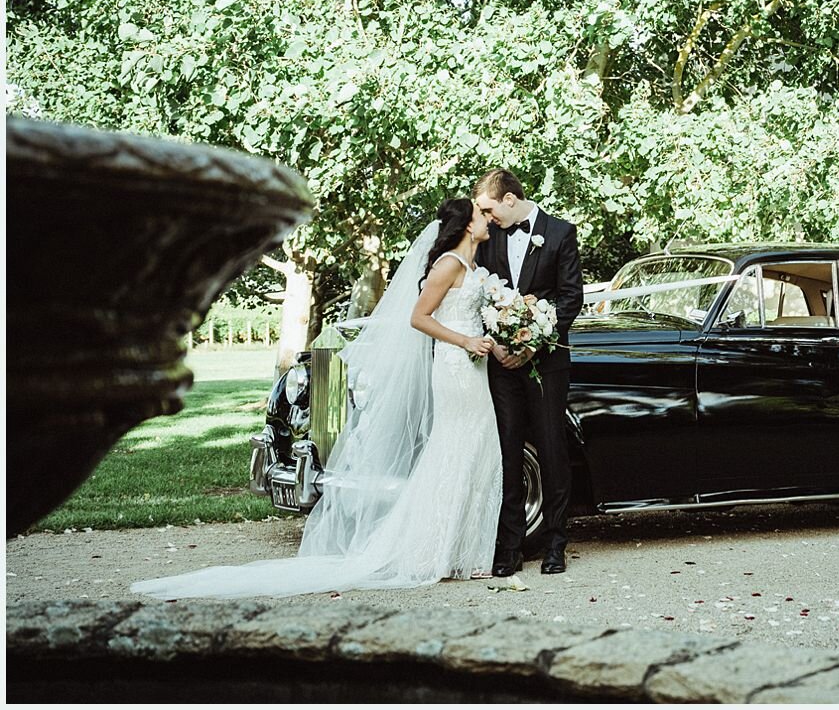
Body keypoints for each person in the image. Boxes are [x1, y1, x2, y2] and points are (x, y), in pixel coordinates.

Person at [130, 199, 502, 599]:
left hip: (474, 366)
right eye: (483, 215)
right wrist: (465, 340)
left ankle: (463, 551)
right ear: (466, 225)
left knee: (478, 450)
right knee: (455, 450)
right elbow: (419, 318)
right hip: (454, 366)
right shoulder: (447, 264)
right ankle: (433, 551)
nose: (489, 220)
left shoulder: (476, 269)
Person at [471, 168, 583, 576]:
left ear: (509, 200)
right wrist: (499, 344)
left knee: (552, 448)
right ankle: (510, 546)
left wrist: (534, 341)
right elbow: (478, 296)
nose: (485, 217)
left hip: (547, 363)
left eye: (488, 208)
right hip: (500, 364)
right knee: (507, 450)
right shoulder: (488, 238)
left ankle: (556, 544)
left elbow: (571, 299)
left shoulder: (560, 234)